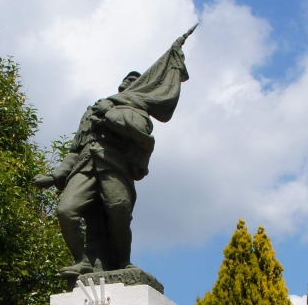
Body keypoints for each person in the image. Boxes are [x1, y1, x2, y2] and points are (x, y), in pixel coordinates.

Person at [34, 26, 196, 277]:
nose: (129, 81)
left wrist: (108, 115)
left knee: (119, 213)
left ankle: (122, 263)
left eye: (136, 80)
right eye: (127, 79)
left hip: (114, 166)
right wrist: (56, 176)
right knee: (66, 211)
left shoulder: (137, 111)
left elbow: (141, 137)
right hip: (85, 166)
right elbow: (75, 148)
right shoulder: (93, 109)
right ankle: (81, 261)